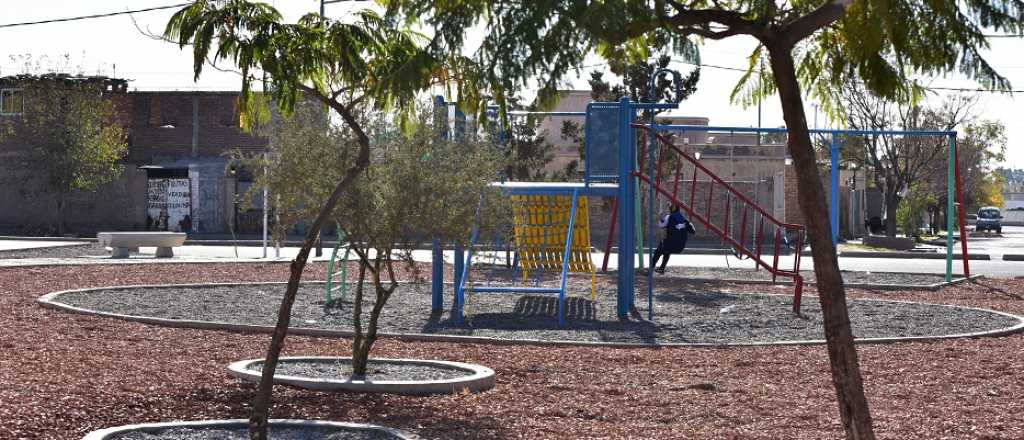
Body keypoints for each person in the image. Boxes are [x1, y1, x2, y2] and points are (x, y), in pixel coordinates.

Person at [647, 204, 691, 274]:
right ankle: (661, 268)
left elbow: (662, 225)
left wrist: (660, 218)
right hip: (680, 246)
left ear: (670, 210)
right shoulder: (684, 219)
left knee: (658, 251)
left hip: (671, 244)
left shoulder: (669, 217)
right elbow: (691, 231)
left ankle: (651, 268)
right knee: (666, 250)